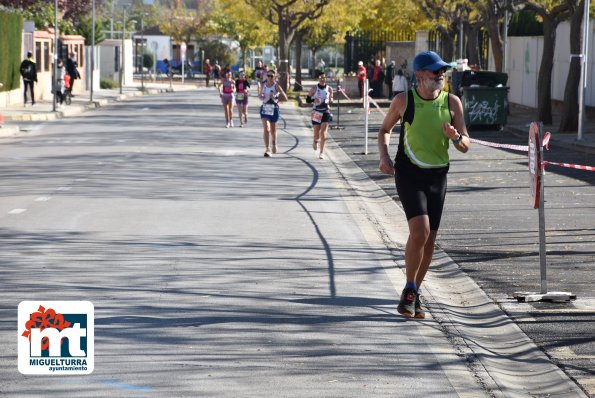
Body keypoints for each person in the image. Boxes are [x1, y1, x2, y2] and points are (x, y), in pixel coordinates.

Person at [377, 50, 470, 319]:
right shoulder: (404, 101)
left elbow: (465, 144)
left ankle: (415, 291)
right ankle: (408, 288)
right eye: (434, 71)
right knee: (420, 231)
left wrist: (455, 138)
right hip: (409, 173)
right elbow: (384, 130)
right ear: (419, 75)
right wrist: (384, 157)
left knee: (430, 240)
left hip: (437, 176)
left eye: (443, 71)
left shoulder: (452, 103)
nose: (440, 75)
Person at [258, 70, 288, 157]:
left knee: (273, 130)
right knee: (266, 128)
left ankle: (274, 143)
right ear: (266, 76)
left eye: (272, 76)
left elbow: (285, 98)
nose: (270, 77)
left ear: (274, 77)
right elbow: (260, 96)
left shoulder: (276, 86)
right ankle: (267, 148)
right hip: (265, 108)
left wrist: (275, 97)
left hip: (274, 109)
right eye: (269, 75)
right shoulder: (264, 86)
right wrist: (261, 96)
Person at [306, 73, 333, 159]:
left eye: (324, 78)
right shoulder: (314, 88)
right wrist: (314, 99)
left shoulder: (329, 89)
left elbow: (332, 99)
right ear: (318, 79)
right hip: (316, 112)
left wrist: (330, 100)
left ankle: (322, 152)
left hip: (325, 111)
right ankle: (315, 140)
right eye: (321, 78)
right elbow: (307, 100)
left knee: (323, 133)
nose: (322, 80)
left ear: (326, 79)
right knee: (317, 134)